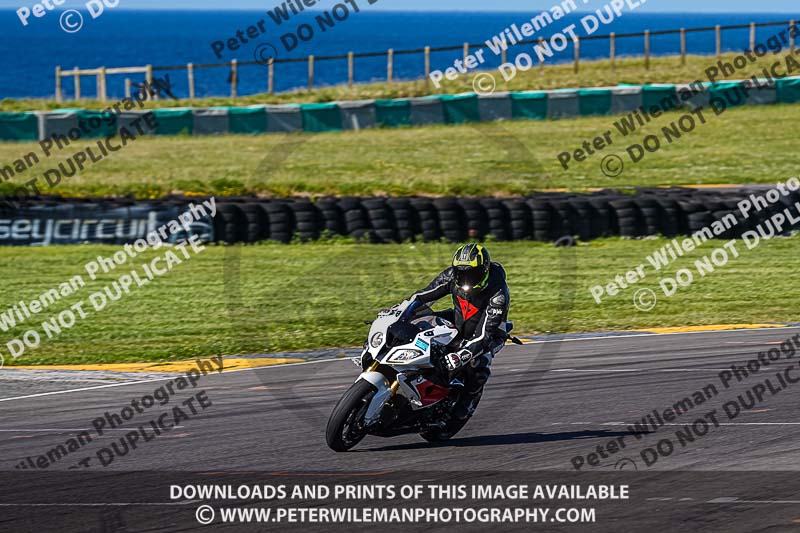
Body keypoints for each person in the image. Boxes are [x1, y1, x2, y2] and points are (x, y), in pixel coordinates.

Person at [400, 243, 510, 420]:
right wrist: (401, 311)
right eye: (461, 273)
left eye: (471, 274)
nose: (465, 279)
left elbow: (485, 334)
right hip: (459, 320)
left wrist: (462, 355)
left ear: (484, 271)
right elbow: (423, 296)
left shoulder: (498, 294)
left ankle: (468, 400)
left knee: (477, 364)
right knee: (418, 321)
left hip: (490, 334)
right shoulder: (451, 276)